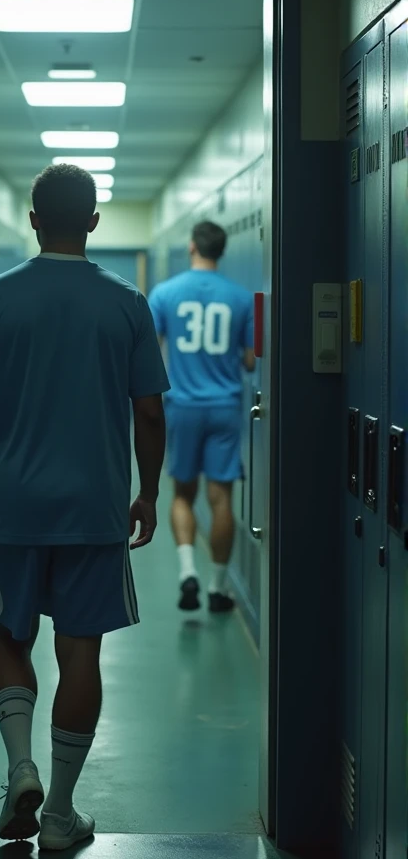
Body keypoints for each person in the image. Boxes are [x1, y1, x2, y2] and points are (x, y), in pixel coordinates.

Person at [0, 164, 169, 851]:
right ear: (93, 223)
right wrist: (148, 491)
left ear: (33, 221)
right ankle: (61, 815)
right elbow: (150, 412)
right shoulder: (127, 302)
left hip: (16, 507)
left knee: (11, 640)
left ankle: (20, 771)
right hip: (94, 508)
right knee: (81, 655)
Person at [148, 220, 255, 615]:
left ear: (192, 247)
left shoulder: (165, 293)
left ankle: (187, 572)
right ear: (222, 251)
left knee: (182, 495)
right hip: (225, 407)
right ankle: (218, 585)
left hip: (183, 407)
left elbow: (150, 351)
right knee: (221, 497)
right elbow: (248, 360)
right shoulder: (242, 298)